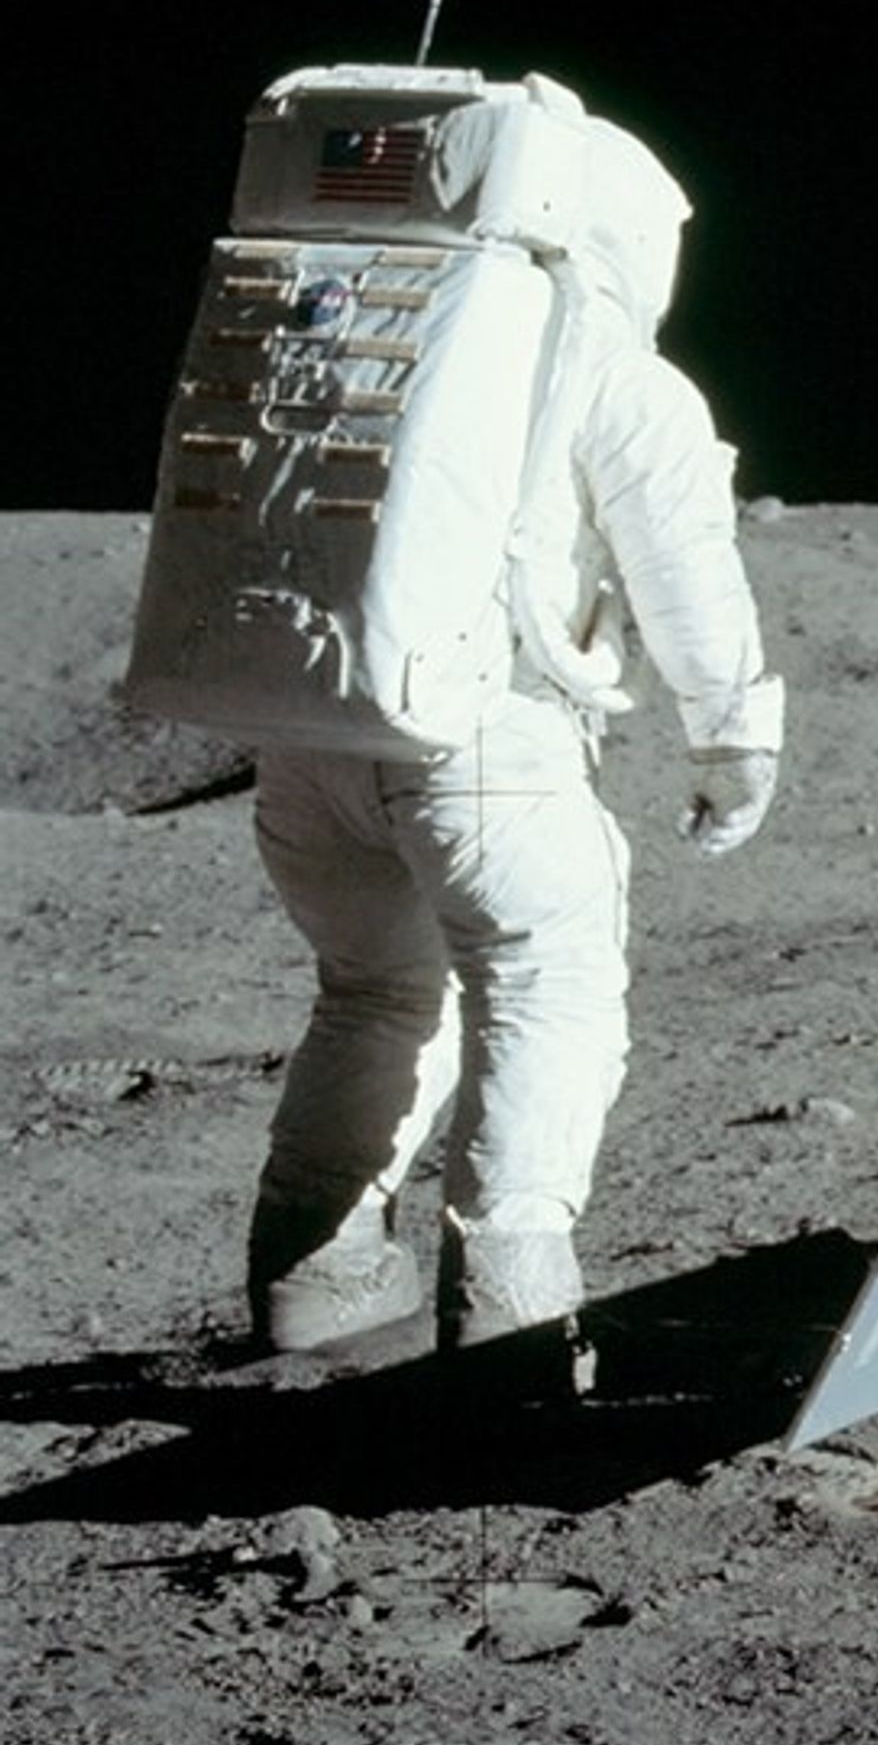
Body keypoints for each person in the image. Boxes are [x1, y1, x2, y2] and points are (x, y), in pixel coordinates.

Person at [242, 110, 785, 1355]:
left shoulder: (351, 332)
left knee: (376, 995)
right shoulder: (603, 365)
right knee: (547, 986)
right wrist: (731, 736)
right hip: (482, 744)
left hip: (310, 739)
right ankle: (511, 1307)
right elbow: (684, 568)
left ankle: (309, 1278)